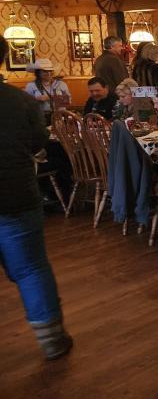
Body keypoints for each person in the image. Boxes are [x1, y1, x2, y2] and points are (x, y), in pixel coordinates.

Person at [0, 36, 72, 361]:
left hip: (16, 194)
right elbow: (38, 142)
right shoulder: (21, 102)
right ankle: (52, 339)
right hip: (16, 193)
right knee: (30, 268)